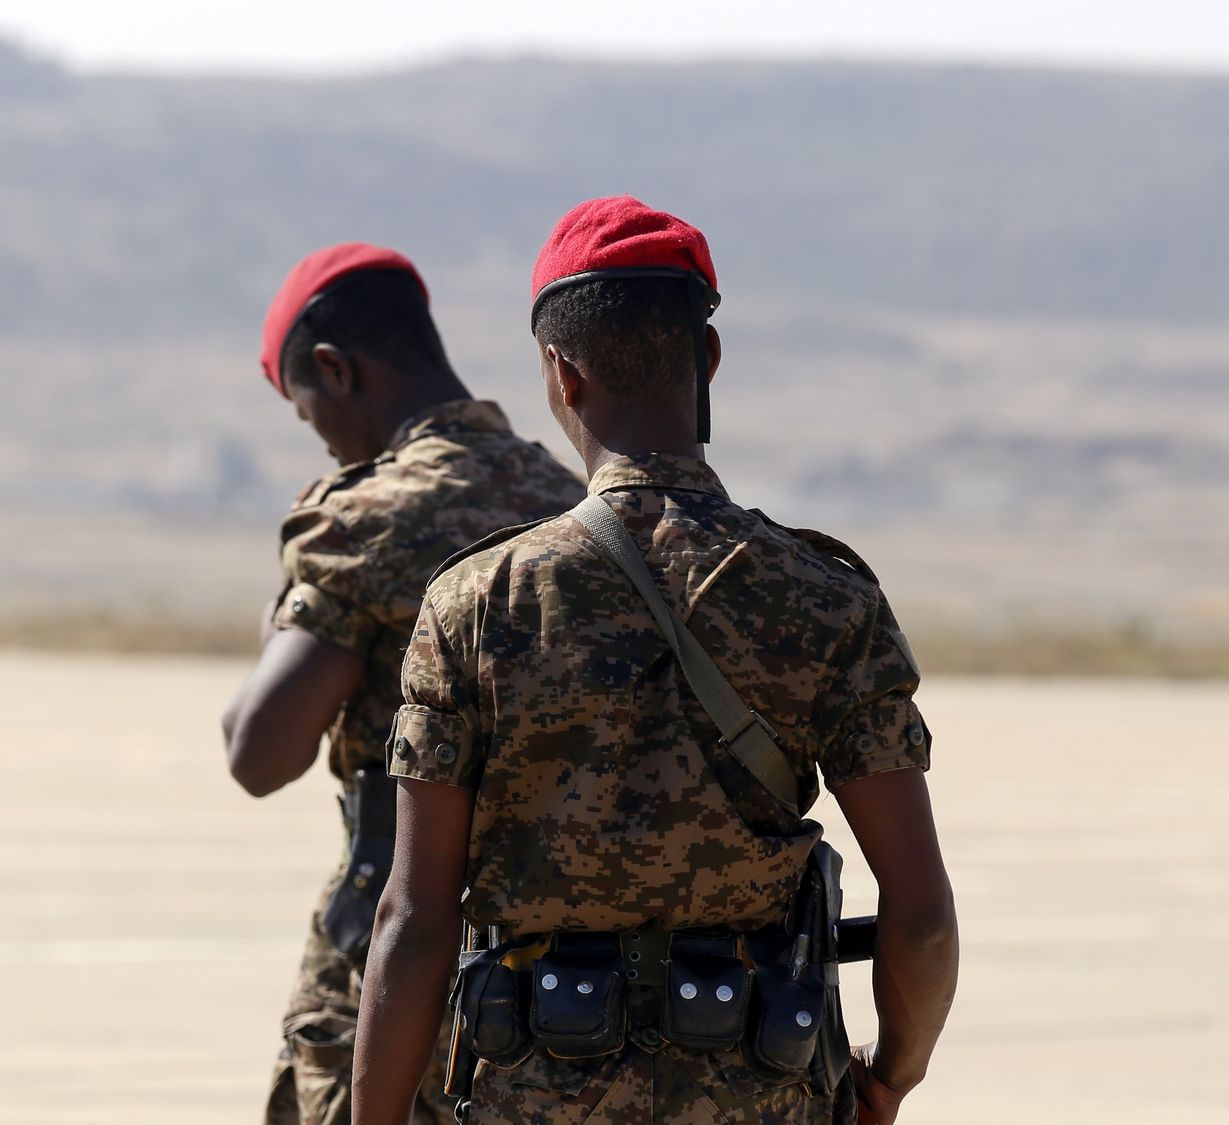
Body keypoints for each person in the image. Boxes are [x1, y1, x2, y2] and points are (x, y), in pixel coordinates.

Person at [352, 198, 959, 1124]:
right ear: (707, 359)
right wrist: (888, 1078)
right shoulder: (827, 597)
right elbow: (918, 916)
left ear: (560, 373)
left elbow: (416, 918)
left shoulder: (478, 602)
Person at [222, 242, 586, 1125]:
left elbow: (258, 751)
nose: (322, 437)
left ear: (333, 370)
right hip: (558, 975)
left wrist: (313, 572)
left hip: (395, 961)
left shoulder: (368, 518)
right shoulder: (569, 493)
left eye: (310, 415)